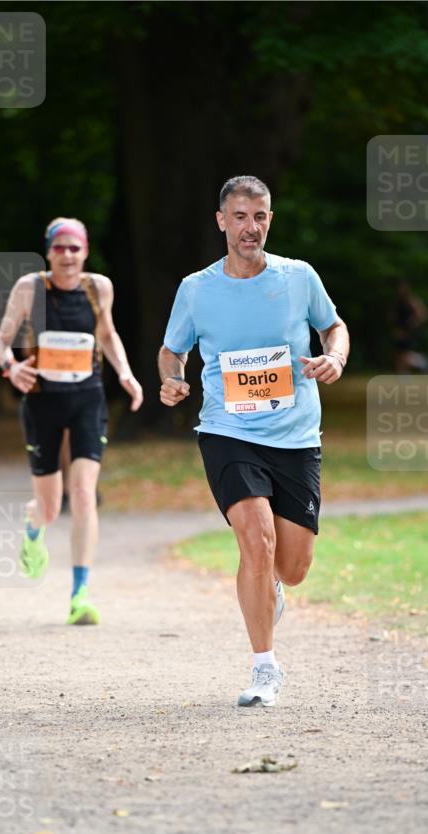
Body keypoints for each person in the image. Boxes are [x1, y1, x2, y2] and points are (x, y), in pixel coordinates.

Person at [159, 176, 349, 707]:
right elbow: (172, 350)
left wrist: (334, 357)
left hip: (295, 435)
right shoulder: (197, 288)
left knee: (291, 566)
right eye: (240, 216)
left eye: (260, 216)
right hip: (228, 431)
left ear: (270, 219)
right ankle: (265, 669)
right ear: (221, 220)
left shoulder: (298, 278)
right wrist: (173, 378)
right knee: (255, 540)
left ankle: (273, 589)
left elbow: (334, 327)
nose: (251, 227)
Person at [0, 217, 143, 624]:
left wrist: (126, 374)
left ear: (86, 251)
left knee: (82, 493)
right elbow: (1, 341)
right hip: (42, 402)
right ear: (48, 251)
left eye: (74, 247)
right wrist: (11, 367)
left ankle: (80, 594)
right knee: (48, 506)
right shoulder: (30, 288)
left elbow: (107, 334)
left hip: (87, 400)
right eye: (59, 247)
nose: (67, 255)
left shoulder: (99, 288)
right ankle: (32, 526)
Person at [390, 279, 428, 374]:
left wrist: (411, 325)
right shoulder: (396, 301)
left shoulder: (412, 300)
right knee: (398, 355)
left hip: (408, 331)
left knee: (404, 355)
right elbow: (392, 316)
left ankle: (421, 361)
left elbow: (423, 315)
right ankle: (404, 375)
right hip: (399, 330)